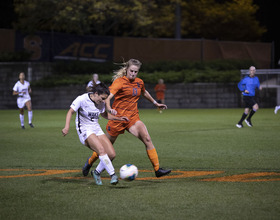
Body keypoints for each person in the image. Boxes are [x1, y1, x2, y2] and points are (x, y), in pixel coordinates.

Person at [82, 59, 171, 178]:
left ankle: (157, 169)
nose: (133, 74)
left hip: (133, 118)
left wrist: (155, 103)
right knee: (105, 149)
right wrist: (109, 109)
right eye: (131, 71)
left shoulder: (139, 82)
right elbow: (108, 97)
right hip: (118, 119)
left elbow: (144, 92)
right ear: (127, 70)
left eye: (136, 71)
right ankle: (89, 162)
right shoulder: (119, 82)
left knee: (147, 138)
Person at [62, 83, 128, 185]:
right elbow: (70, 112)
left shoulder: (101, 101)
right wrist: (66, 127)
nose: (103, 101)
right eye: (102, 98)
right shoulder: (82, 99)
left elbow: (104, 115)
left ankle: (96, 172)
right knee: (101, 150)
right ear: (96, 93)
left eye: (105, 99)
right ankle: (113, 175)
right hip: (84, 130)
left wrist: (119, 119)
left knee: (111, 154)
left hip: (96, 128)